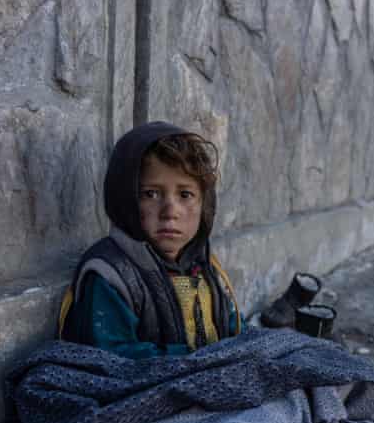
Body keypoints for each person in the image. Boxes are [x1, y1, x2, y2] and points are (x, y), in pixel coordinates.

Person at [57, 121, 242, 357]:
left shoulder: (205, 267)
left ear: (205, 205)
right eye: (151, 194)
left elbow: (235, 328)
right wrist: (196, 361)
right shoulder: (111, 275)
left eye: (185, 195)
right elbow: (112, 359)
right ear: (124, 200)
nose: (170, 211)